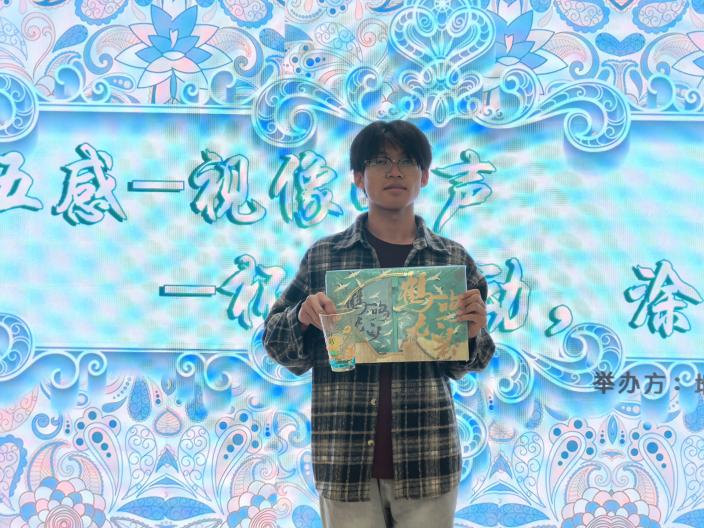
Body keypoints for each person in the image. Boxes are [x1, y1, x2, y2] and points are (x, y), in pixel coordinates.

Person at [263, 120, 495, 527]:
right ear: (358, 176)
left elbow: (467, 364)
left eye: (407, 161)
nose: (394, 171)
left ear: (424, 175)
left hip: (428, 459)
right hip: (345, 460)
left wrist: (474, 335)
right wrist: (300, 317)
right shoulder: (325, 257)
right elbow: (276, 344)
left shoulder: (450, 260)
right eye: (380, 162)